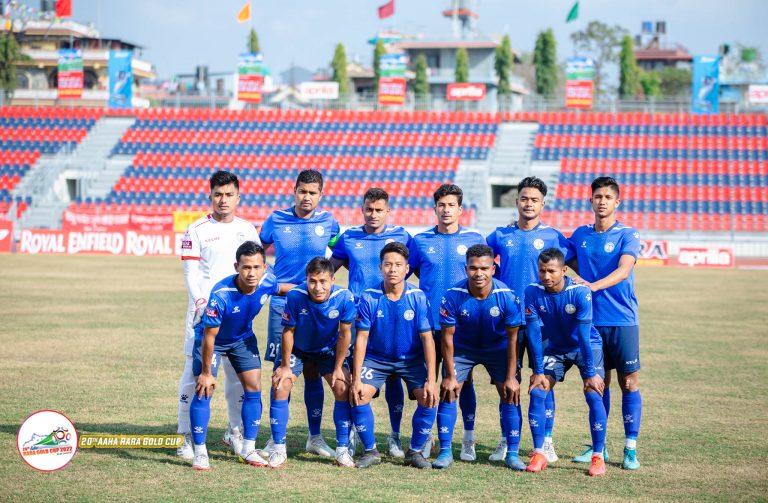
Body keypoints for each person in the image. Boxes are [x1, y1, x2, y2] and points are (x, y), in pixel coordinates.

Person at [485, 176, 573, 463]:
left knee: (543, 380)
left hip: (544, 323)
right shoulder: (500, 235)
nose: (529, 204)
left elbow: (571, 267)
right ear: (517, 201)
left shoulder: (554, 237)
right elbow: (483, 262)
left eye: (535, 200)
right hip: (508, 322)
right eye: (524, 198)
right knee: (507, 382)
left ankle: (546, 441)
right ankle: (506, 439)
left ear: (543, 204)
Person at [432, 244, 543, 471]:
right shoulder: (452, 296)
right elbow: (447, 339)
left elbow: (513, 340)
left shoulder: (507, 297)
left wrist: (511, 377)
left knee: (510, 393)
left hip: (498, 348)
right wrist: (450, 375)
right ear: (466, 269)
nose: (479, 273)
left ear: (493, 269)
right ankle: (445, 451)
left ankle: (512, 454)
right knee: (449, 391)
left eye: (484, 268)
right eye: (473, 268)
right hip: (463, 348)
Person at [177, 170, 260, 460]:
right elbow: (190, 273)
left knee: (237, 378)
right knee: (194, 375)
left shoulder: (248, 230)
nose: (223, 200)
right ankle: (184, 435)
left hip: (237, 316)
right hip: (203, 314)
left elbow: (257, 269)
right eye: (218, 195)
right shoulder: (197, 229)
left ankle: (234, 432)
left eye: (229, 195)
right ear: (210, 196)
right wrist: (202, 302)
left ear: (238, 197)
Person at [259, 169, 341, 458]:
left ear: (321, 195)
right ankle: (275, 439)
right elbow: (257, 253)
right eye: (302, 191)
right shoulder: (275, 219)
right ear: (294, 191)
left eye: (312, 192)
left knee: (313, 370)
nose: (307, 197)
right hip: (283, 304)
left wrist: (323, 283)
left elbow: (339, 253)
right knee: (281, 371)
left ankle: (314, 438)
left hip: (317, 308)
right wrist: (274, 281)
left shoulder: (329, 222)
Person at [330, 188, 412, 458]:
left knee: (394, 375)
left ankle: (395, 436)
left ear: (388, 211)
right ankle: (355, 433)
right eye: (369, 209)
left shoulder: (402, 236)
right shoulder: (349, 237)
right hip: (357, 319)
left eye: (378, 210)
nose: (373, 214)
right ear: (362, 209)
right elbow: (329, 270)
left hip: (392, 316)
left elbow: (413, 268)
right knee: (354, 376)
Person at [408, 184, 486, 461]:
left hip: (463, 326)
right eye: (441, 205)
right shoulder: (420, 241)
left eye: (451, 205)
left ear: (460, 209)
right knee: (429, 381)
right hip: (428, 325)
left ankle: (468, 438)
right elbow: (411, 270)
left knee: (463, 381)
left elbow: (484, 276)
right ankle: (427, 437)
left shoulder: (474, 238)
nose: (446, 210)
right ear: (435, 208)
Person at [569, 176, 642, 470]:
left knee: (629, 382)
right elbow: (564, 258)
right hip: (590, 322)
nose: (602, 202)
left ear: (617, 202)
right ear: (591, 201)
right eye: (597, 197)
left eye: (608, 197)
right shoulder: (580, 234)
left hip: (622, 320)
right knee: (598, 384)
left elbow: (624, 270)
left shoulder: (628, 234)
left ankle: (630, 448)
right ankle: (599, 447)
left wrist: (592, 286)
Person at [189, 241, 279, 470]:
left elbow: (283, 288)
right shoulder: (221, 294)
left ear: (264, 267)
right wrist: (206, 373)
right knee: (204, 389)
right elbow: (209, 336)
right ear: (236, 267)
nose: (251, 273)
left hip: (242, 339)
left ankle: (248, 448)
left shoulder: (268, 281)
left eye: (257, 267)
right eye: (246, 267)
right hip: (213, 341)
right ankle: (200, 451)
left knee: (254, 387)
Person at [350, 242, 438, 469]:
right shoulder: (369, 297)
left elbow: (428, 339)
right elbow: (361, 339)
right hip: (376, 359)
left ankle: (415, 452)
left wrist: (431, 379)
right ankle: (370, 451)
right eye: (388, 264)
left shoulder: (418, 297)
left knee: (429, 397)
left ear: (407, 268)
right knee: (359, 395)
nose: (392, 269)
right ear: (380, 268)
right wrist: (356, 378)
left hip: (411, 360)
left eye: (398, 265)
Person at [523, 248, 608, 476]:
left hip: (586, 347)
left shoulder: (580, 292)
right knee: (538, 391)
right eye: (542, 271)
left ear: (564, 270)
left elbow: (583, 337)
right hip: (556, 349)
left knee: (593, 393)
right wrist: (538, 371)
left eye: (551, 271)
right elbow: (534, 334)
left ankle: (598, 456)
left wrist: (590, 373)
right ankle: (539, 453)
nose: (546, 276)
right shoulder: (532, 291)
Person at [269, 257, 357, 468]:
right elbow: (288, 331)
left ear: (332, 279)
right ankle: (278, 448)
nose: (318, 287)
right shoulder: (295, 296)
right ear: (306, 280)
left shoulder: (344, 297)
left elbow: (345, 334)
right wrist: (285, 366)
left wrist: (339, 367)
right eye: (312, 281)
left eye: (323, 281)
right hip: (298, 349)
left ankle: (341, 450)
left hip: (327, 350)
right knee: (281, 385)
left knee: (342, 387)